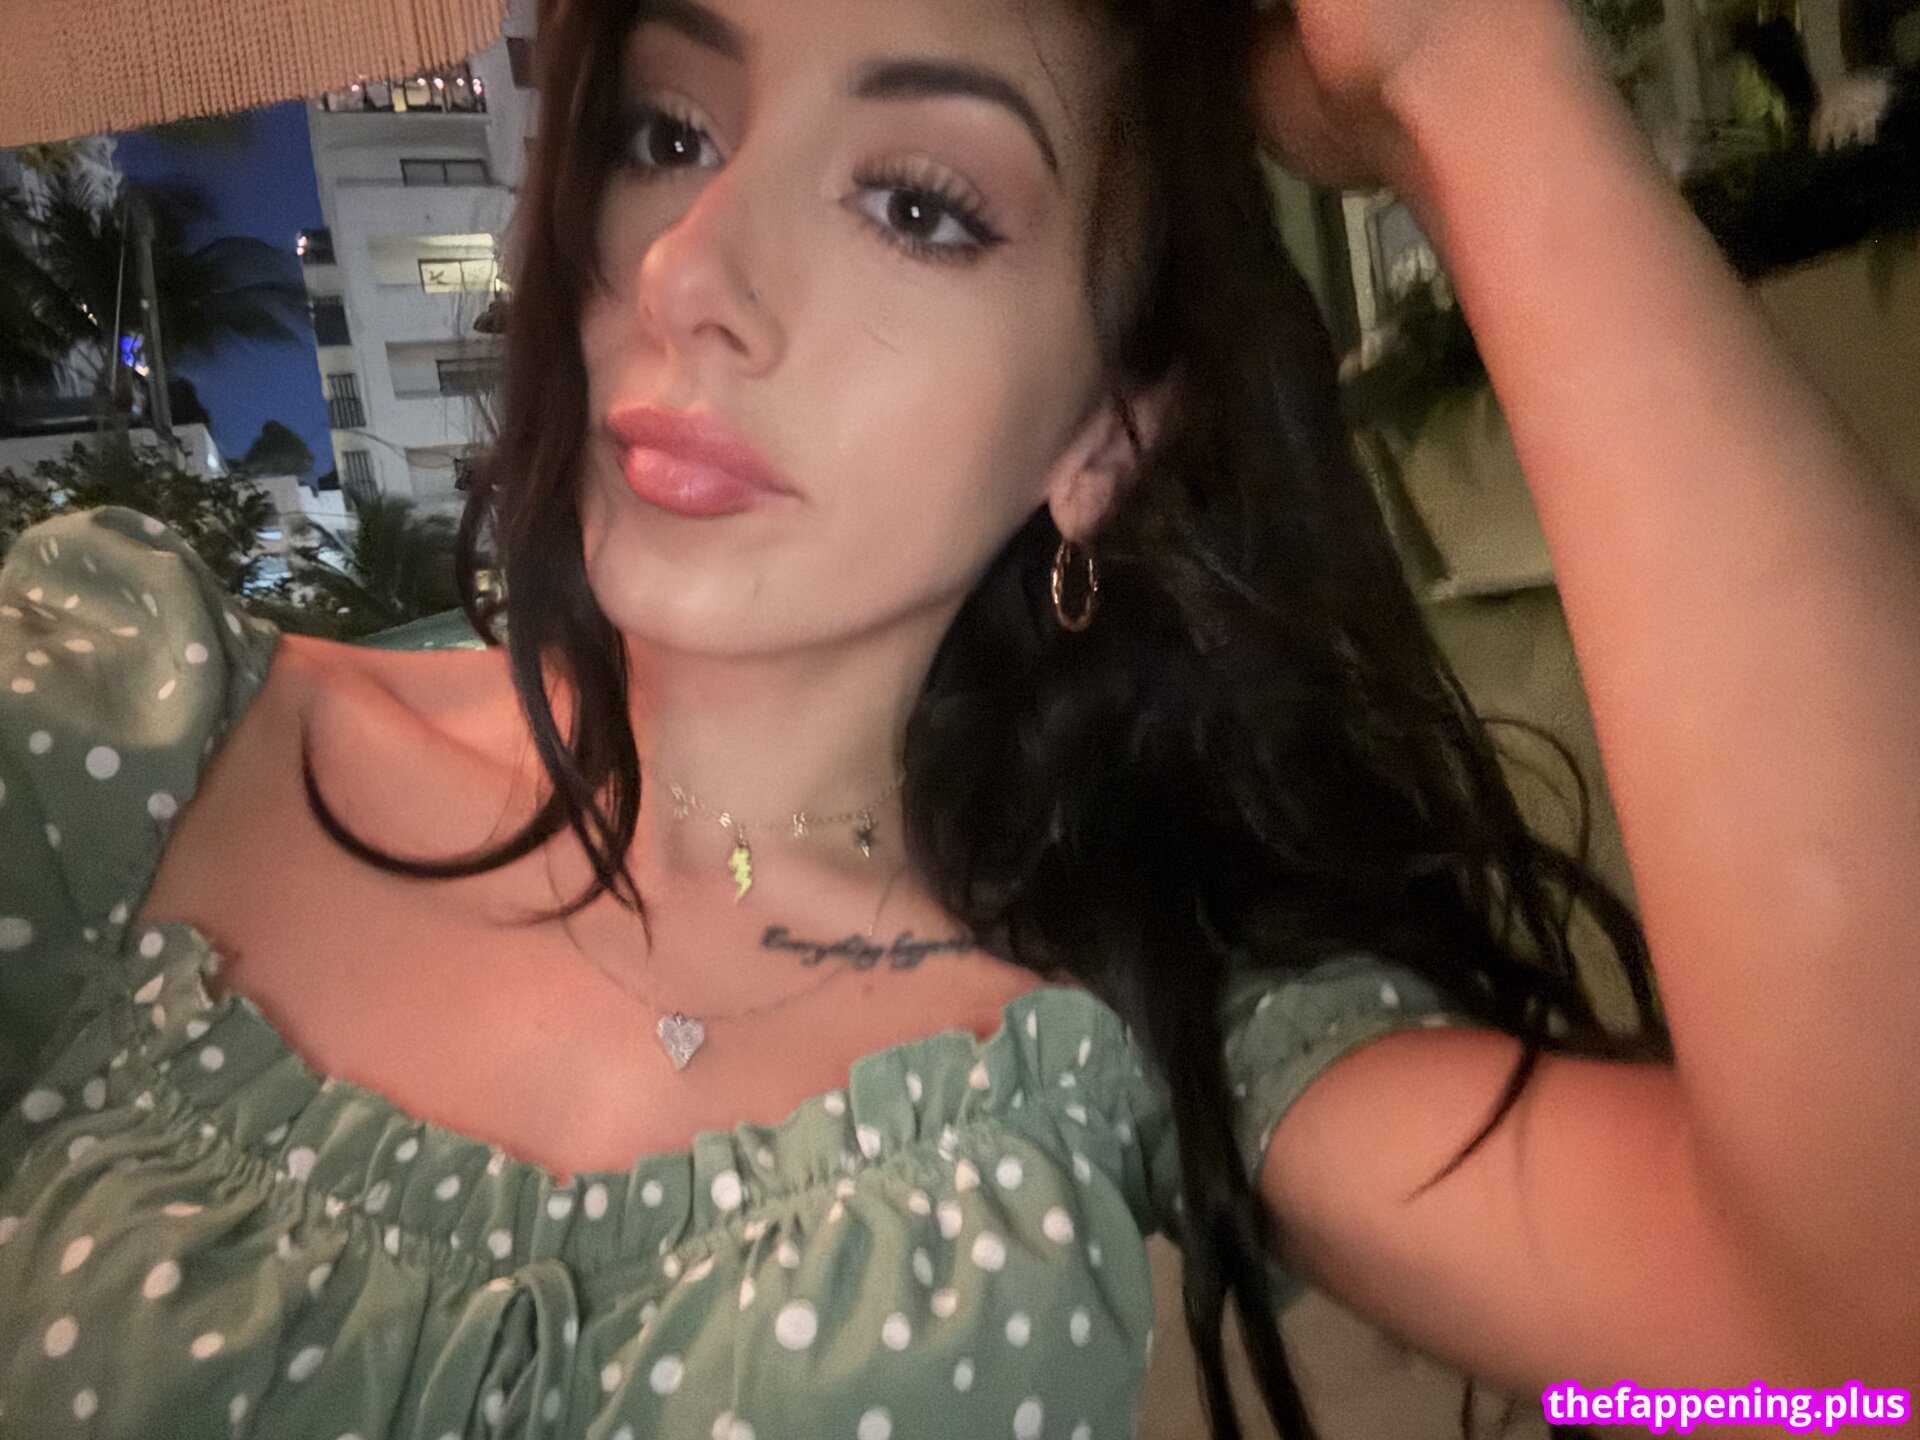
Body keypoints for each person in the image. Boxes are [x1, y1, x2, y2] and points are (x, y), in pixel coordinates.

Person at [3, 0, 1916, 1436]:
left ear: (1106, 438)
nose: (690, 273)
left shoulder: (1128, 1020)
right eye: (667, 132)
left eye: (917, 204)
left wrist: (1472, 71)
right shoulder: (118, 726)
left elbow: (1850, 1352)